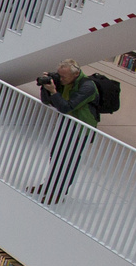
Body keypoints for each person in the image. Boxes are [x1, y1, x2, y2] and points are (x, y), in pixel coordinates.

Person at [33, 58, 99, 204]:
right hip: (66, 125)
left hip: (81, 129)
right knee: (55, 155)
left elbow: (66, 107)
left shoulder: (87, 87)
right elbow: (47, 101)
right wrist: (46, 87)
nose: (60, 79)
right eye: (59, 75)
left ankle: (59, 192)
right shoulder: (64, 82)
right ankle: (49, 185)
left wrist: (54, 91)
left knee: (68, 160)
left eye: (64, 77)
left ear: (75, 75)